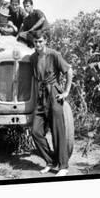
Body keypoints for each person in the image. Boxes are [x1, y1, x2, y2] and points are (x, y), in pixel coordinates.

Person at [29, 31, 74, 177]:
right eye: (36, 42)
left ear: (46, 41)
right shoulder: (33, 57)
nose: (38, 44)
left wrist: (66, 91)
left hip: (54, 93)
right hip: (40, 95)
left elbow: (69, 70)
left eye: (41, 41)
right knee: (35, 131)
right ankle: (50, 161)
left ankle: (63, 166)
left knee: (57, 131)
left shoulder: (54, 54)